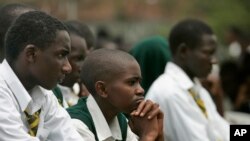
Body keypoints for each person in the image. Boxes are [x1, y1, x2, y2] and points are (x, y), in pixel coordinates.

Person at [0, 11, 83, 140]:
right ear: (31, 54)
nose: (68, 67)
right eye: (61, 55)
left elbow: (70, 137)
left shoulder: (43, 94)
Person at [146, 19, 229, 141]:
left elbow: (223, 130)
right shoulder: (171, 92)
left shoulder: (195, 89)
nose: (214, 60)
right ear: (183, 51)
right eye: (208, 53)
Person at [67, 48, 164, 141]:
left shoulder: (120, 120)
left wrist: (158, 135)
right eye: (132, 82)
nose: (141, 90)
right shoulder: (76, 126)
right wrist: (147, 136)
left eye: (139, 82)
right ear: (102, 89)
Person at [53, 20, 93, 107]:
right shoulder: (50, 96)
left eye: (85, 59)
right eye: (78, 59)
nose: (83, 67)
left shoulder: (77, 92)